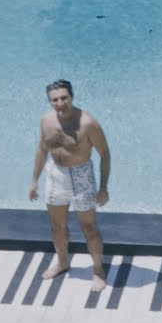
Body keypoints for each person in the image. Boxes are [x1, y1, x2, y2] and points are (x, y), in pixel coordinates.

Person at [28, 80, 111, 292]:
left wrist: (103, 188)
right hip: (56, 174)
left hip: (81, 175)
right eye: (55, 100)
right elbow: (42, 149)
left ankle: (98, 269)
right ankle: (63, 262)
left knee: (89, 227)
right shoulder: (46, 120)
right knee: (57, 226)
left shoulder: (88, 123)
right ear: (49, 102)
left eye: (64, 98)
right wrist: (35, 180)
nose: (60, 103)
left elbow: (104, 154)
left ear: (72, 97)